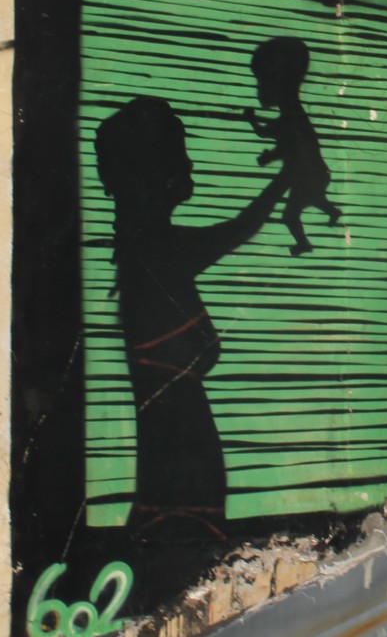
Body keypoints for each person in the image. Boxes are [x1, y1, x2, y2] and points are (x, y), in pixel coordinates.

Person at [94, 96, 286, 541]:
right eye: (178, 153)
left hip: (177, 482)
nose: (190, 164)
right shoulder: (155, 254)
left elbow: (236, 230)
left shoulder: (145, 251)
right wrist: (284, 180)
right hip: (176, 488)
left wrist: (282, 182)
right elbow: (237, 230)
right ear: (153, 170)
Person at [243, 37, 344, 255]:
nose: (258, 91)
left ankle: (304, 243)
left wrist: (252, 121)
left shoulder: (289, 120)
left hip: (310, 175)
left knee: (290, 215)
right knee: (313, 197)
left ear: (278, 82)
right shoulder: (293, 117)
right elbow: (287, 145)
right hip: (316, 174)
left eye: (261, 83)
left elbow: (275, 138)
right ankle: (332, 211)